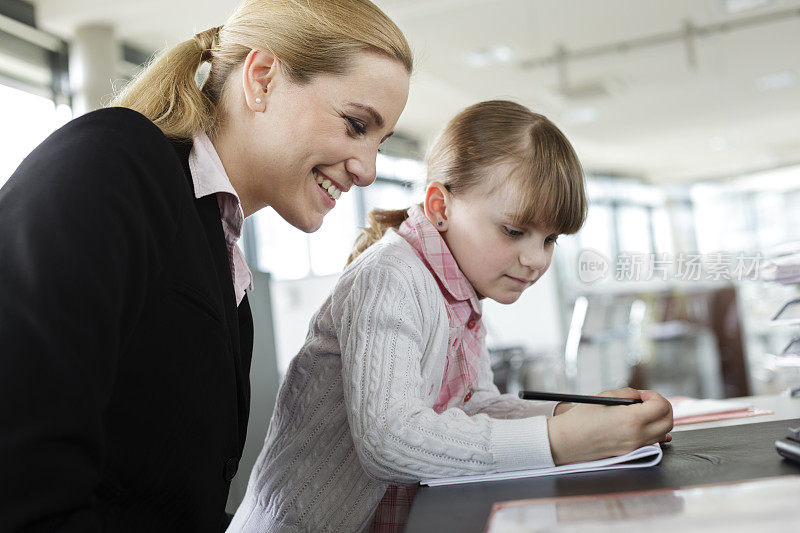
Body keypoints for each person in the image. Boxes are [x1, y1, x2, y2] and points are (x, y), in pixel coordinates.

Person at [0, 0, 411, 531]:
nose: (369, 170)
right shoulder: (114, 164)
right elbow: (20, 474)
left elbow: (159, 493)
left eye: (381, 142)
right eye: (356, 124)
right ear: (261, 78)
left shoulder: (218, 250)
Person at [228, 100, 674, 532]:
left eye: (550, 239)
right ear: (441, 208)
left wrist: (571, 416)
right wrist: (561, 441)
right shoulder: (392, 277)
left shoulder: (461, 293)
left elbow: (475, 405)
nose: (536, 260)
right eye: (515, 231)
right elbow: (390, 441)